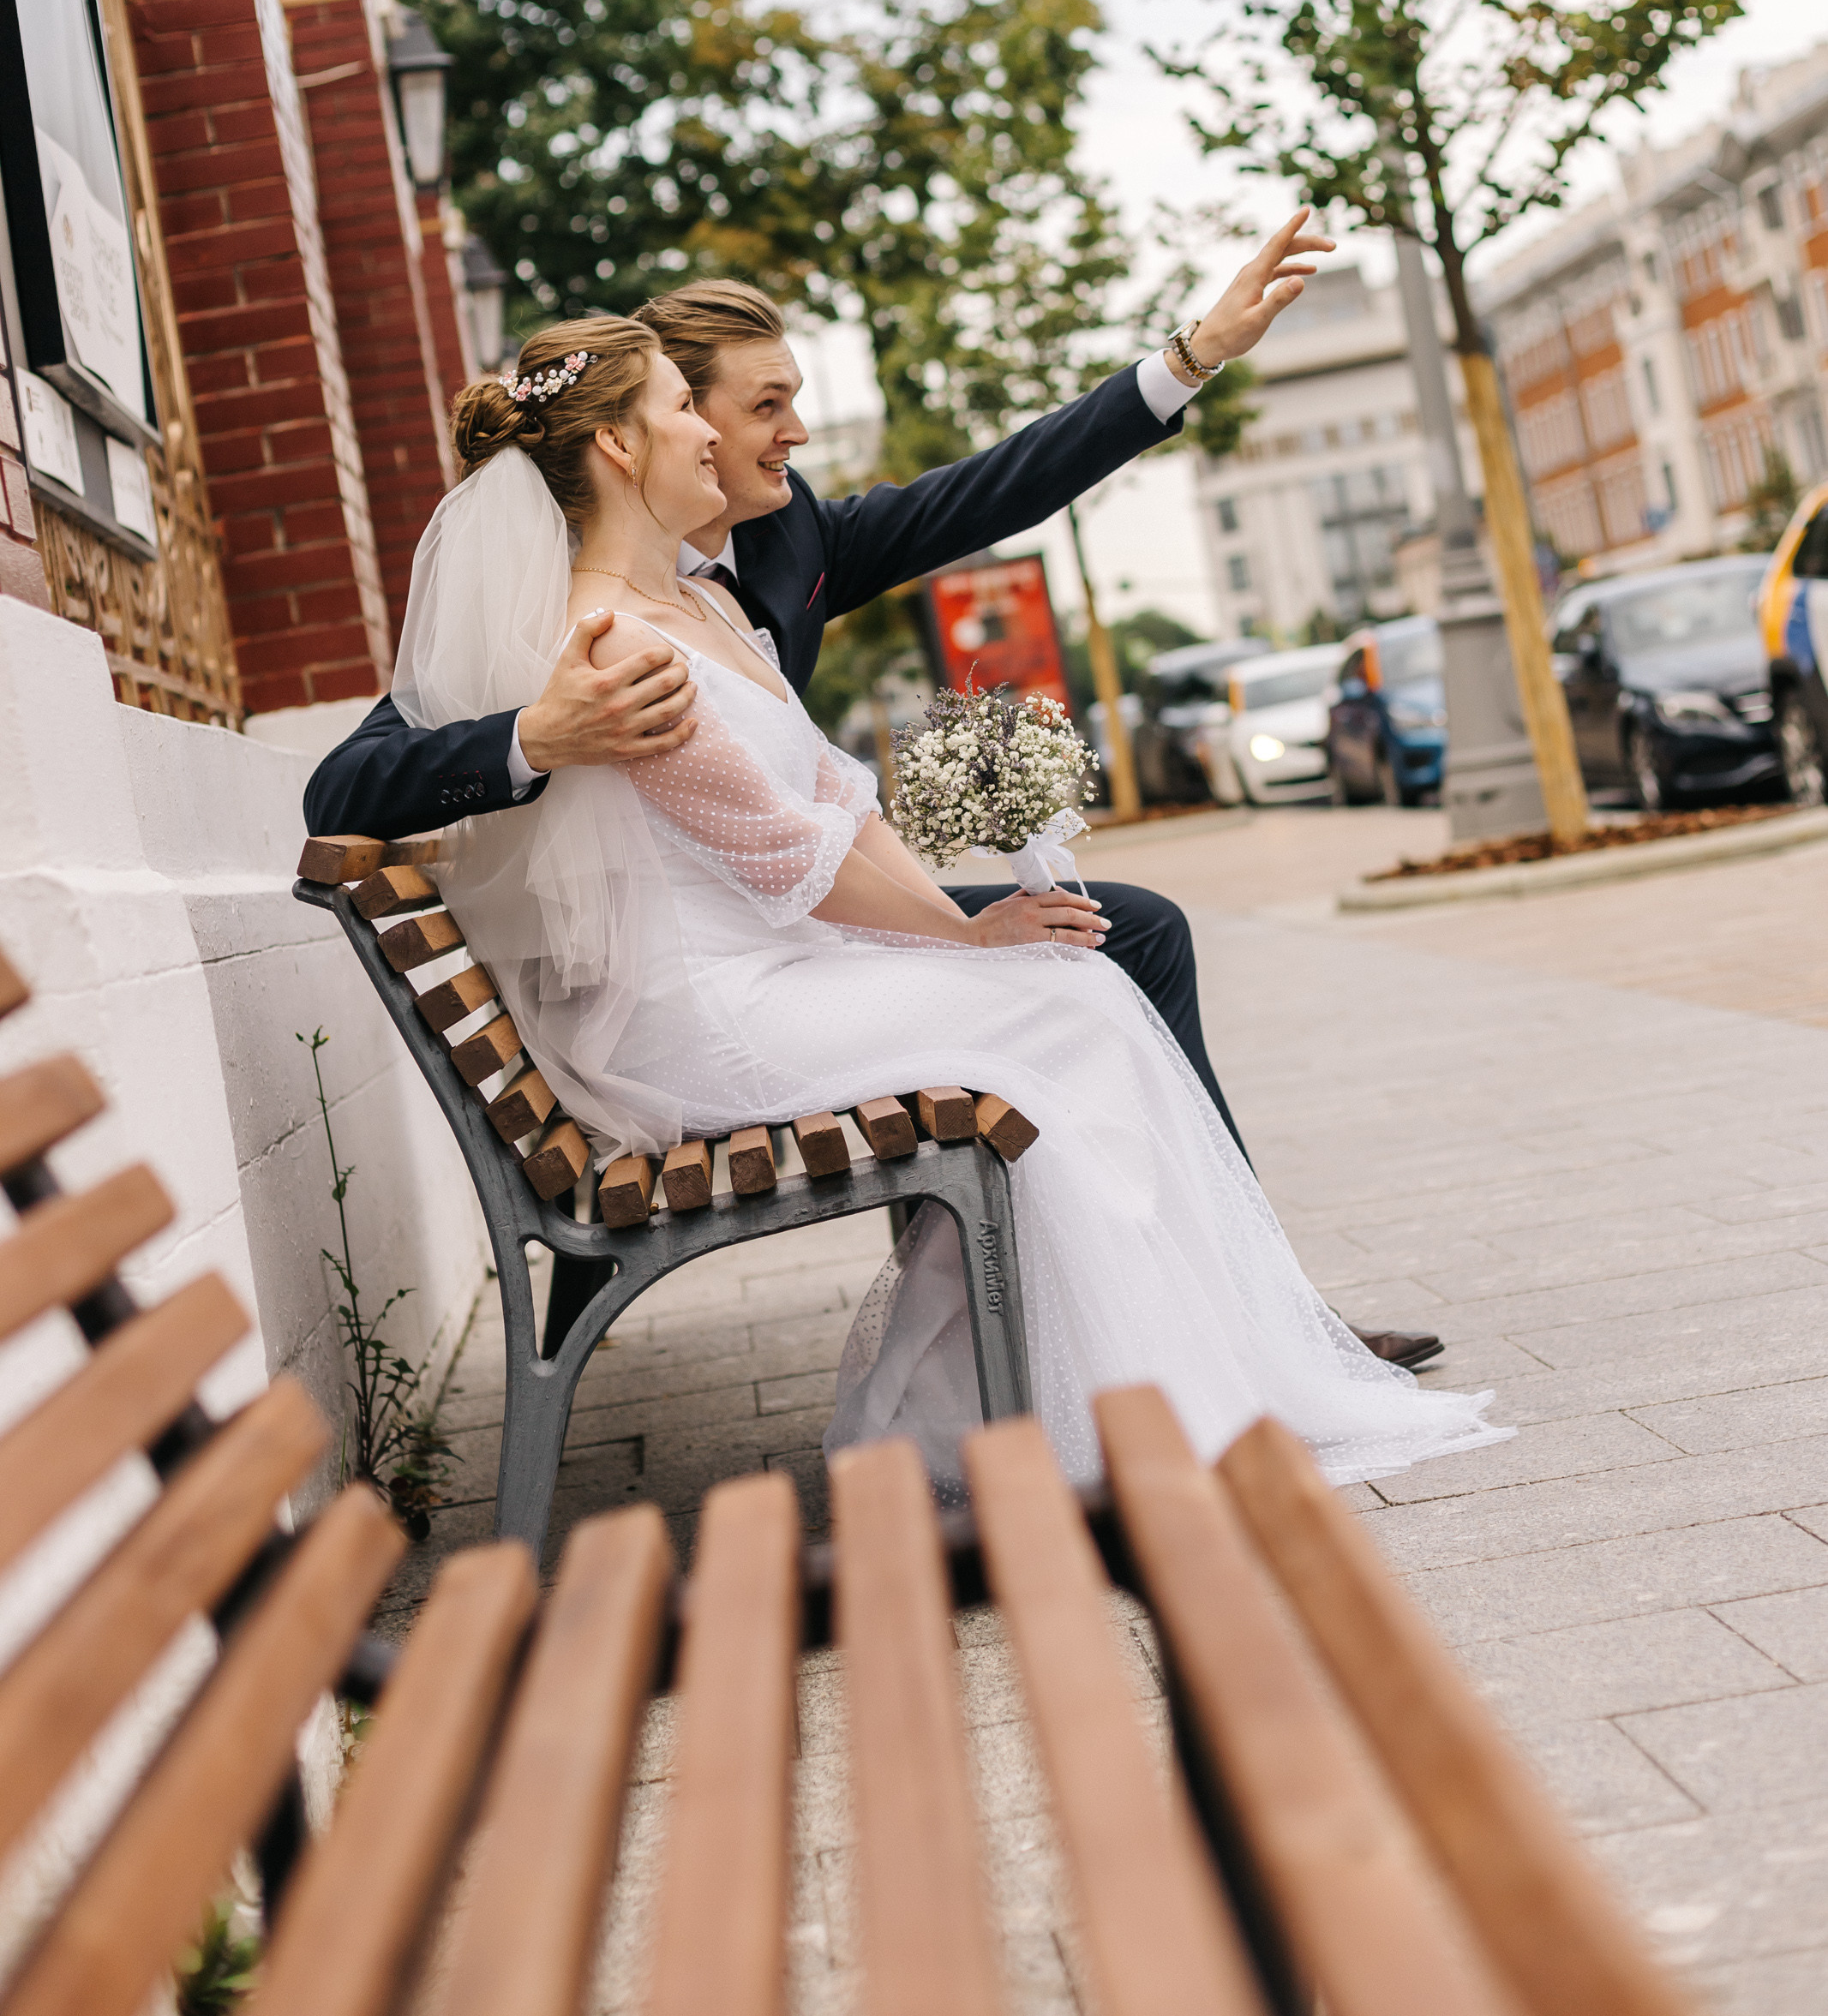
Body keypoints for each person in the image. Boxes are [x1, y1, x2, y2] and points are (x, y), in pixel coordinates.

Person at [389, 314, 1503, 1497]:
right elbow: (783, 856)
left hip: (777, 966)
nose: (713, 439)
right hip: (708, 1013)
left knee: (1072, 991)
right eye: (682, 408)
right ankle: (1096, 1404)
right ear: (617, 447)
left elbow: (835, 799)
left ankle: (1106, 1384)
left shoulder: (701, 607)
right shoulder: (610, 645)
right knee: (1070, 1012)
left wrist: (973, 935)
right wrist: (969, 935)